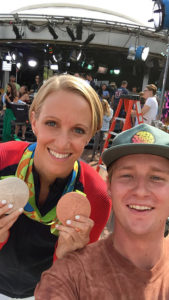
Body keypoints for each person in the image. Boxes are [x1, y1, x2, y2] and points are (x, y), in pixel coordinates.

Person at [0, 74, 111, 300]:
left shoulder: (96, 195)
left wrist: (68, 258)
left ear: (90, 135)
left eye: (78, 130)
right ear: (34, 121)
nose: (62, 142)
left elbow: (73, 282)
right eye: (52, 123)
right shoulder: (2, 160)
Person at [35, 123, 169, 300]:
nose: (141, 191)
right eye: (127, 176)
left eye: (156, 178)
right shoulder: (71, 276)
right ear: (109, 187)